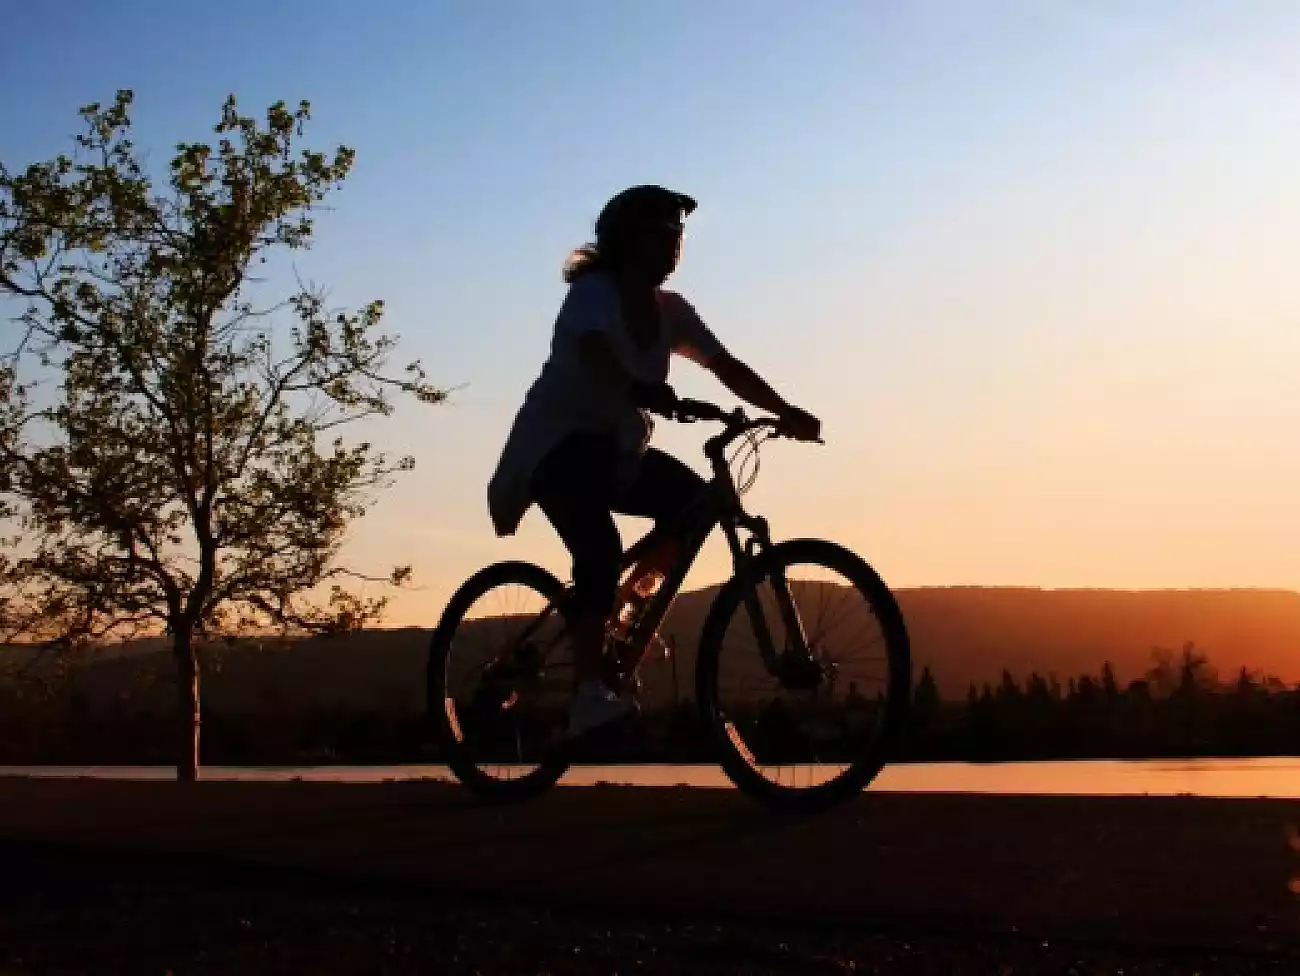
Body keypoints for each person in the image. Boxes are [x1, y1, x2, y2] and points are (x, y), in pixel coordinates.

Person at [487, 185, 821, 737]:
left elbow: (725, 366)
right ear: (625, 243)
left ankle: (622, 611)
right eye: (662, 237)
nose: (673, 249)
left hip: (617, 451)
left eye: (678, 238)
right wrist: (644, 389)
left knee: (694, 506)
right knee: (598, 548)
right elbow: (594, 352)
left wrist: (786, 411)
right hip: (557, 449)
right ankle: (588, 692)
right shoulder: (594, 292)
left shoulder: (671, 311)